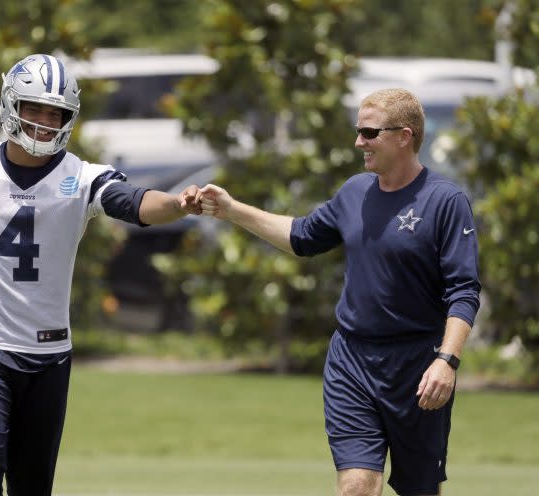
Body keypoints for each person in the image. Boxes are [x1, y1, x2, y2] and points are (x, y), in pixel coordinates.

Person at [0, 53, 203, 496]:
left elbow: (134, 201)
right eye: (34, 109)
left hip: (48, 352)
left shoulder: (82, 177)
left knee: (32, 484)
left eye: (56, 114)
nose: (45, 122)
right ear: (11, 105)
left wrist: (178, 204)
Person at [198, 88, 480, 496]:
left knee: (420, 489)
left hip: (417, 368)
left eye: (369, 132)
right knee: (356, 486)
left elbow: (464, 291)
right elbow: (301, 236)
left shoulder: (446, 201)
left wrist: (447, 361)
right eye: (358, 131)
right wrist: (231, 209)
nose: (358, 142)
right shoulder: (355, 191)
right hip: (352, 362)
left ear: (404, 136)